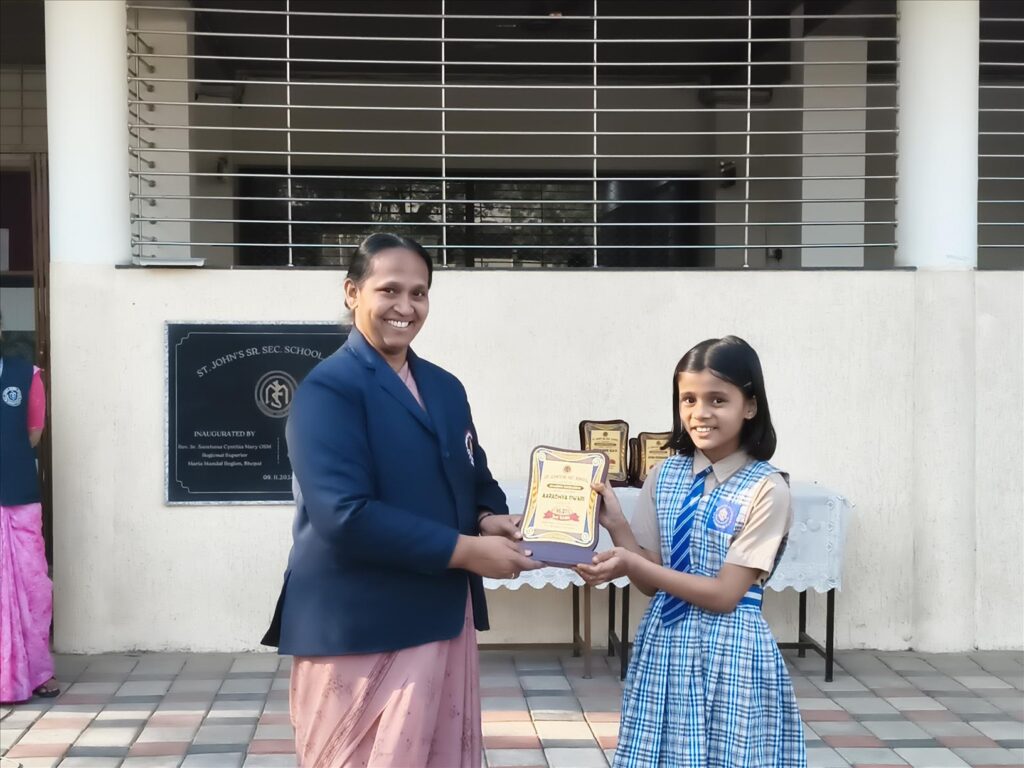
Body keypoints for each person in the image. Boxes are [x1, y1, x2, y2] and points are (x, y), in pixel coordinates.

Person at [262, 233, 541, 768]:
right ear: (352, 293)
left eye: (419, 293)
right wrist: (467, 551)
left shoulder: (444, 387)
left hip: (439, 612)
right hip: (359, 622)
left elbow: (472, 475)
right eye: (389, 290)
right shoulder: (329, 390)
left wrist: (488, 517)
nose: (405, 307)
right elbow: (344, 515)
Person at [577, 336, 805, 767]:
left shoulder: (766, 488)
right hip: (665, 643)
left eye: (718, 400)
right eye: (689, 400)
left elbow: (725, 595)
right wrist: (617, 526)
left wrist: (630, 562)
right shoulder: (664, 475)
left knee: (726, 756)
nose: (700, 413)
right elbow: (650, 581)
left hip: (731, 652)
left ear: (750, 406)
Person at [0, 311, 59, 703]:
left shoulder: (26, 375)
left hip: (18, 495)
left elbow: (34, 433)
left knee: (32, 585)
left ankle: (35, 672)